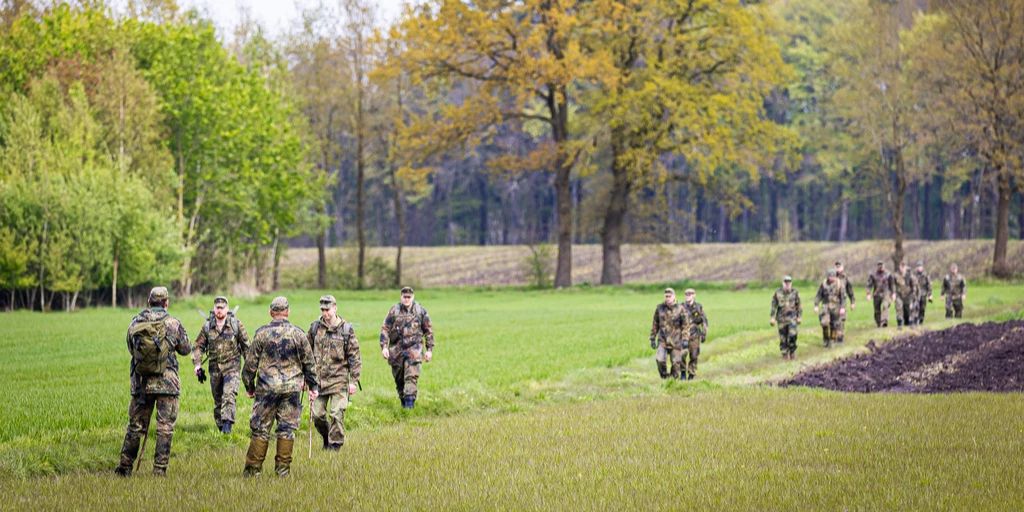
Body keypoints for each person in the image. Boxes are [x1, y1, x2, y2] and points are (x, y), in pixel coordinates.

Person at [115, 286, 191, 477]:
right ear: (166, 302)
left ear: (149, 301)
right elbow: (186, 349)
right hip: (168, 383)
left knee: (135, 426)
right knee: (165, 428)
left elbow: (130, 347)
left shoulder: (136, 321)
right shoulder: (173, 323)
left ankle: (124, 468)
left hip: (141, 383)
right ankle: (159, 470)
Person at [242, 296, 319, 477]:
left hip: (266, 389)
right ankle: (282, 471)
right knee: (286, 429)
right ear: (287, 312)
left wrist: (249, 386)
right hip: (291, 389)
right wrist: (313, 386)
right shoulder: (298, 334)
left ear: (271, 312)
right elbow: (310, 363)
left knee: (261, 429)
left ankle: (253, 471)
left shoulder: (261, 333)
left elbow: (249, 365)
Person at [307, 295, 361, 450]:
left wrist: (353, 381)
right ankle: (326, 437)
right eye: (322, 310)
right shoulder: (315, 328)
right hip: (319, 381)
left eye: (328, 309)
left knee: (336, 414)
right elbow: (306, 353)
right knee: (317, 415)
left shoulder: (346, 330)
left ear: (335, 308)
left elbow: (355, 357)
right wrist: (305, 378)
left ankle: (335, 446)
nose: (325, 313)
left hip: (339, 380)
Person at [191, 296, 249, 434]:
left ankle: (227, 428)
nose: (219, 310)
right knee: (218, 400)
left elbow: (246, 347)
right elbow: (198, 347)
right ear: (214, 309)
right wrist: (197, 365)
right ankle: (221, 427)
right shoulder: (207, 327)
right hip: (215, 369)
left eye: (222, 308)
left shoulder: (236, 324)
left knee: (229, 395)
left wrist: (250, 366)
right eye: (217, 308)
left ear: (227, 309)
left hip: (232, 367)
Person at [380, 287, 435, 409]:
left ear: (413, 297)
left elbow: (428, 331)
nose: (406, 299)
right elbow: (385, 328)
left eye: (409, 297)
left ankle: (409, 408)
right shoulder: (394, 311)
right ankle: (403, 404)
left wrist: (429, 350)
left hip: (414, 351)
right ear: (401, 297)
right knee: (399, 381)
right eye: (404, 297)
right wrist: (384, 347)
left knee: (411, 378)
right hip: (396, 352)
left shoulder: (420, 311)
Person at [649, 288, 688, 379]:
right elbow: (655, 324)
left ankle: (673, 379)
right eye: (666, 296)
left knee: (676, 363)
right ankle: (665, 377)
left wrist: (685, 338)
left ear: (674, 296)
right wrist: (652, 338)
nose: (668, 298)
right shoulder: (659, 308)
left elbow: (686, 325)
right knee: (659, 360)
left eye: (669, 296)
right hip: (663, 340)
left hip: (676, 341)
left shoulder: (680, 309)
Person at [770, 276, 802, 360]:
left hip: (792, 318)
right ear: (783, 283)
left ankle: (792, 351)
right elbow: (774, 306)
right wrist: (772, 317)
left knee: (792, 335)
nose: (787, 284)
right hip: (781, 319)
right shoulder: (777, 293)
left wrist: (799, 317)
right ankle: (784, 354)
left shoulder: (795, 292)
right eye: (785, 282)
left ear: (791, 283)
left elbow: (799, 305)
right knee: (783, 337)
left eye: (789, 282)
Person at [681, 288, 708, 380]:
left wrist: (704, 333)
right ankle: (683, 373)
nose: (688, 295)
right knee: (682, 354)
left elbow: (704, 321)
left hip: (695, 335)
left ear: (694, 295)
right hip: (683, 336)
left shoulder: (698, 307)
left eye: (690, 294)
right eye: (686, 294)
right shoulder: (681, 307)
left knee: (694, 355)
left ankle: (691, 374)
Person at [815, 269, 846, 347]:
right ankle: (826, 340)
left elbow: (843, 297)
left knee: (835, 325)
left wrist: (842, 307)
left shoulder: (839, 284)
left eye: (833, 276)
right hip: (826, 306)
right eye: (830, 276)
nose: (832, 278)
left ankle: (832, 340)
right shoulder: (824, 284)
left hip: (836, 307)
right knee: (824, 323)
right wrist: (816, 305)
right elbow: (819, 295)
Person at [866, 260, 896, 327]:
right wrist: (868, 293)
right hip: (876, 294)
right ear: (877, 266)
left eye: (881, 265)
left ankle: (884, 321)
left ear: (884, 265)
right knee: (877, 311)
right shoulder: (873, 275)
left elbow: (892, 284)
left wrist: (893, 293)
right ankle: (879, 323)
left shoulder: (888, 274)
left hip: (886, 293)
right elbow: (869, 285)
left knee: (885, 306)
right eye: (879, 265)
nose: (880, 267)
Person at [833, 261, 856, 343]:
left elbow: (850, 291)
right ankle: (834, 337)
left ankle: (840, 338)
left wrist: (852, 302)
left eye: (839, 267)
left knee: (841, 320)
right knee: (833, 321)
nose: (837, 268)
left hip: (842, 303)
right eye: (836, 267)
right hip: (833, 303)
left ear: (842, 268)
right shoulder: (831, 277)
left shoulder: (845, 278)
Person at [892, 260, 919, 328]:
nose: (902, 268)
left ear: (906, 267)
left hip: (908, 295)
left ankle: (911, 322)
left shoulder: (910, 276)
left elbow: (914, 286)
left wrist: (913, 296)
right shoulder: (896, 275)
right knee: (899, 307)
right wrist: (894, 293)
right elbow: (893, 285)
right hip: (899, 295)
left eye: (904, 267)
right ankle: (900, 322)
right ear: (899, 267)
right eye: (901, 266)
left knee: (909, 308)